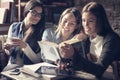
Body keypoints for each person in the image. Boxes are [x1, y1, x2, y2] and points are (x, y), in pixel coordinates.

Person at [58, 2, 120, 79]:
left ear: (100, 21)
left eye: (90, 21)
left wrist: (73, 55)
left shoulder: (111, 39)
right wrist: (67, 62)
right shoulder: (87, 39)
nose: (85, 24)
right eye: (83, 20)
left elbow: (99, 70)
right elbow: (84, 65)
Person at [3, 0, 45, 70]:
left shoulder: (41, 32)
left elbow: (37, 60)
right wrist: (8, 49)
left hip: (30, 69)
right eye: (34, 12)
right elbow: (9, 53)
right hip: (12, 67)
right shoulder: (13, 27)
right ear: (26, 11)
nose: (37, 17)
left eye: (39, 14)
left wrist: (25, 47)